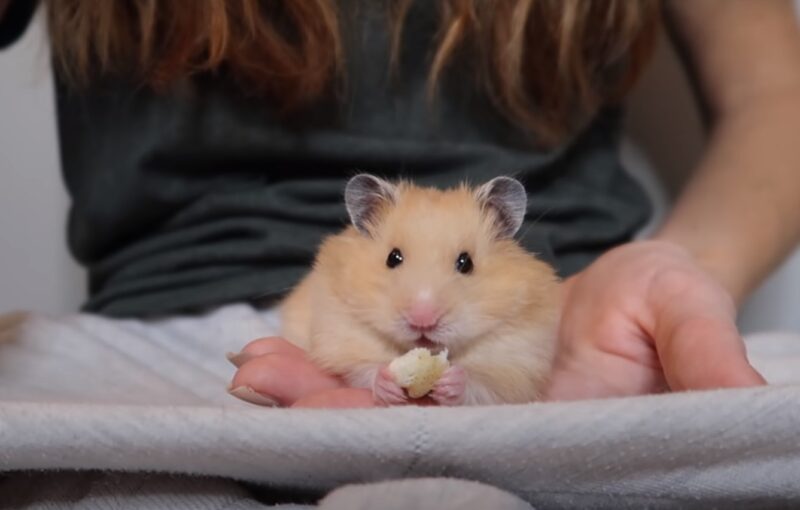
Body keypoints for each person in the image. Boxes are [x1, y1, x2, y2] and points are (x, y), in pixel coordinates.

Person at [1, 0, 799, 410]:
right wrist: (381, 375)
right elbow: (327, 334)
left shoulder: (528, 312)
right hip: (155, 334)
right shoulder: (336, 284)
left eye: (460, 267)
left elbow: (779, 98)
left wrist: (685, 267)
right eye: (394, 264)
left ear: (505, 228)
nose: (424, 308)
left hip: (587, 331)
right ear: (360, 226)